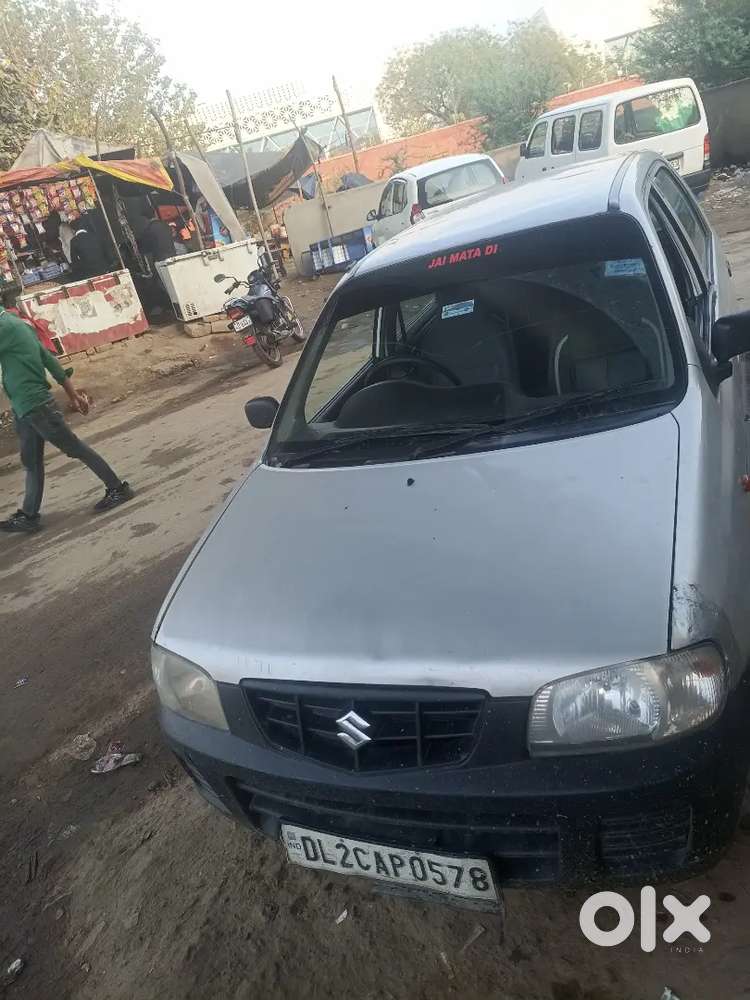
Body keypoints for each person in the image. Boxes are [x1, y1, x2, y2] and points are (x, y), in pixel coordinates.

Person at [0, 295, 133, 534]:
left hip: (35, 404)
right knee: (31, 461)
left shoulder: (5, 327)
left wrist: (72, 394)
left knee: (74, 448)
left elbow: (47, 360)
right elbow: (48, 359)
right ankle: (29, 515)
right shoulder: (18, 325)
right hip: (24, 407)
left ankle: (117, 488)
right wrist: (73, 394)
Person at [69, 217, 106, 281]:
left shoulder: (74, 241)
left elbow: (74, 260)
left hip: (89, 272)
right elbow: (105, 250)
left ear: (73, 230)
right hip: (103, 267)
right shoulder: (95, 235)